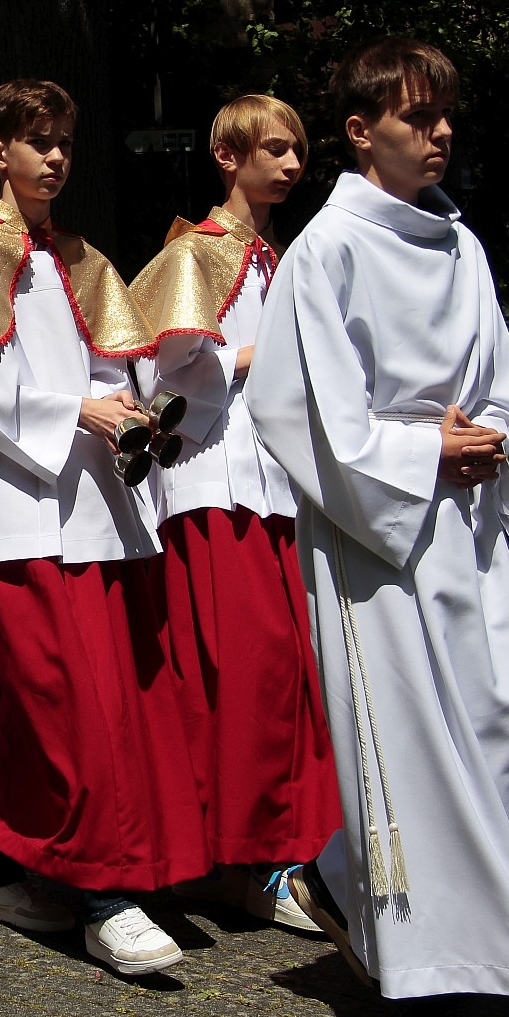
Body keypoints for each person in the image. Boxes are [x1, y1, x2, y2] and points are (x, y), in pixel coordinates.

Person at [246, 37, 509, 1002]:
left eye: (444, 115)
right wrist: (426, 453)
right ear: (360, 130)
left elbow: (503, 384)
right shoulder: (328, 249)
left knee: (507, 734)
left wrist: (492, 440)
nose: (441, 132)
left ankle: (353, 884)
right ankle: (439, 972)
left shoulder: (460, 244)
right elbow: (295, 407)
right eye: (417, 117)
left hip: (467, 524)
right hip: (375, 535)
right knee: (414, 749)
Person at [0, 79, 209, 974]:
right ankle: (102, 897)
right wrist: (77, 410)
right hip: (19, 515)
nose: (57, 156)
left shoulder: (78, 255)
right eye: (40, 141)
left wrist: (133, 411)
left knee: (102, 705)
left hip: (96, 514)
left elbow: (115, 361)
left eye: (66, 141)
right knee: (64, 708)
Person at [129, 96, 341, 930]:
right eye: (274, 149)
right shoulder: (194, 253)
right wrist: (261, 354)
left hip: (279, 484)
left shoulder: (276, 256)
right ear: (227, 154)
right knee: (239, 671)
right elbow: (160, 374)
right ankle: (237, 857)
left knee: (287, 672)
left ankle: (278, 850)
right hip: (215, 485)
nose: (291, 165)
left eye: (298, 151)